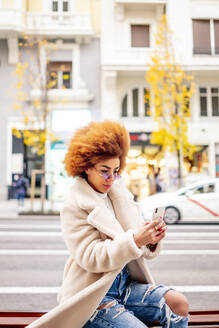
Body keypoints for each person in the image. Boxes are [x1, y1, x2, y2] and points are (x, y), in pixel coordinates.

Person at [26, 121, 189, 328]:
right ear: (86, 166)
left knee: (178, 304)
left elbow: (140, 248)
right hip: (94, 295)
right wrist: (136, 239)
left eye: (116, 171)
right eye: (104, 171)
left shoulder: (120, 196)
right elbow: (91, 257)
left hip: (127, 287)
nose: (111, 178)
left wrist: (151, 240)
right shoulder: (74, 206)